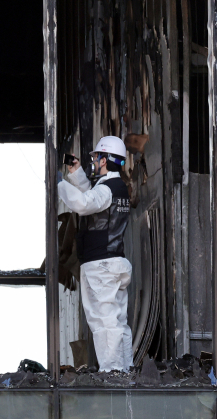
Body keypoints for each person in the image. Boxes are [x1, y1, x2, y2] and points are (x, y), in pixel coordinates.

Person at [57, 135, 133, 372]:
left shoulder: (108, 190)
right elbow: (93, 196)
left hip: (101, 266)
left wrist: (59, 183)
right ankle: (124, 368)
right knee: (118, 321)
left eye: (97, 157)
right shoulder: (116, 188)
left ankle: (111, 372)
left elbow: (83, 203)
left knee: (103, 321)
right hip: (114, 263)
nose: (95, 161)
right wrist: (77, 173)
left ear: (105, 160)